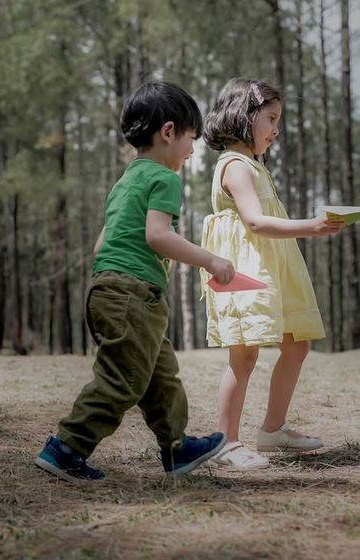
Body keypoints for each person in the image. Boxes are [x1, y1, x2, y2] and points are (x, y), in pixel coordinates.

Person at [35, 80, 235, 483]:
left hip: (110, 289)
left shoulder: (125, 181)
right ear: (168, 131)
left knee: (160, 376)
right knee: (124, 379)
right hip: (133, 293)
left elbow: (100, 245)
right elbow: (157, 236)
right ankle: (66, 448)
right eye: (190, 140)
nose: (192, 151)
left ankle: (176, 448)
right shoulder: (164, 179)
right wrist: (211, 259)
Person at [200, 78, 344, 470]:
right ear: (243, 115)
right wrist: (310, 227)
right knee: (244, 355)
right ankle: (227, 442)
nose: (277, 128)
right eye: (271, 118)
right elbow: (256, 222)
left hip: (275, 267)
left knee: (296, 344)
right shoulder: (234, 165)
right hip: (245, 270)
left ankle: (272, 429)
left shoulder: (254, 166)